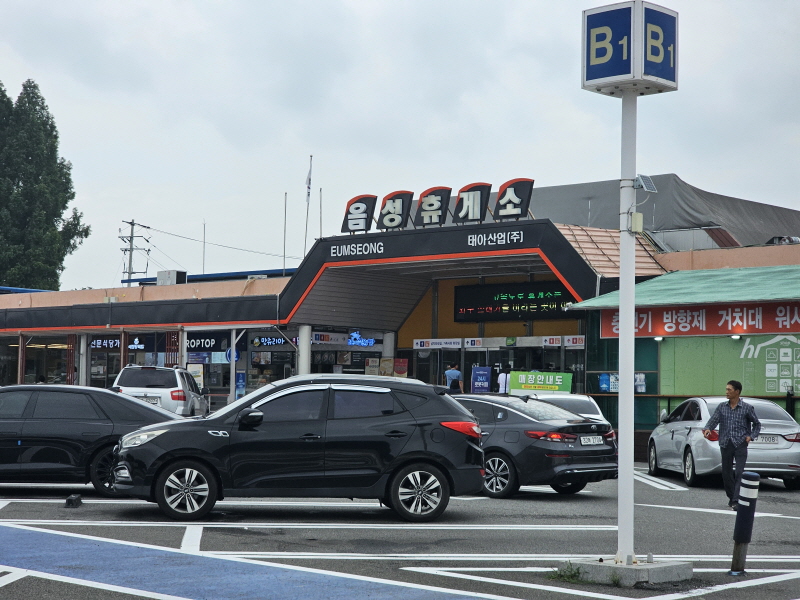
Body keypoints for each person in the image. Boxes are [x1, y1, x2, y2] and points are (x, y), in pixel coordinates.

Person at [702, 380, 761, 511]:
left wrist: (751, 436)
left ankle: (736, 500)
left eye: (729, 390)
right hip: (725, 443)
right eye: (726, 389)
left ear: (737, 392)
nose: (726, 392)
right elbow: (713, 420)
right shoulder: (722, 407)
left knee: (739, 472)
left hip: (741, 443)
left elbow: (757, 424)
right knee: (726, 473)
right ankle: (732, 497)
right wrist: (708, 429)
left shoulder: (747, 408)